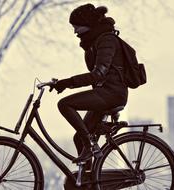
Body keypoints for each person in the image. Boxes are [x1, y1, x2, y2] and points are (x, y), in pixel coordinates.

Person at [51, 3, 128, 163]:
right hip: (104, 93)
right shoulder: (96, 41)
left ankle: (92, 145)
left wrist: (68, 83)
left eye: (77, 26)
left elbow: (98, 74)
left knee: (64, 104)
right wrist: (64, 83)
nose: (75, 31)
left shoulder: (107, 40)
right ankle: (88, 180)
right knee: (80, 138)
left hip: (111, 94)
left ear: (87, 24)